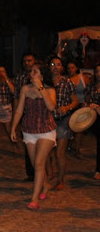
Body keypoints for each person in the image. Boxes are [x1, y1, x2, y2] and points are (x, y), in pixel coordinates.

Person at [10, 62, 57, 209]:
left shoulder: (50, 90)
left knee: (38, 163)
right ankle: (45, 184)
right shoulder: (25, 89)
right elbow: (19, 110)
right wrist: (13, 128)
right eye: (31, 71)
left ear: (42, 75)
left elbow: (51, 107)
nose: (31, 74)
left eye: (35, 72)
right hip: (29, 130)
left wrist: (41, 87)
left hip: (46, 129)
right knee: (35, 164)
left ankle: (34, 199)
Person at [48, 56, 78, 190]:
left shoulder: (67, 82)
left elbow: (75, 100)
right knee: (47, 151)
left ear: (62, 67)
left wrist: (67, 107)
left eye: (58, 64)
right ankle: (50, 173)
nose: (55, 67)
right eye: (52, 64)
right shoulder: (45, 82)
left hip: (62, 120)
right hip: (47, 120)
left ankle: (60, 179)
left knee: (60, 152)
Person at [14, 52, 37, 181]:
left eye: (29, 60)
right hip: (25, 114)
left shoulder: (41, 75)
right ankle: (31, 173)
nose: (27, 63)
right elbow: (16, 97)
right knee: (28, 144)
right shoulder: (20, 77)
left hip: (40, 115)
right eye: (25, 61)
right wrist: (15, 118)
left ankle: (44, 172)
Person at [67, 61, 89, 158]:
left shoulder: (83, 78)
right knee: (70, 128)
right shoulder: (65, 79)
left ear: (76, 68)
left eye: (72, 67)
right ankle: (70, 145)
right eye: (68, 68)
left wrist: (87, 103)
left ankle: (77, 150)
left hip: (80, 105)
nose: (70, 70)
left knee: (79, 129)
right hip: (70, 105)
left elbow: (88, 91)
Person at [84, 64, 100, 179]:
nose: (99, 74)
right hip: (94, 117)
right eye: (97, 71)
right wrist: (87, 105)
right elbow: (86, 100)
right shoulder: (91, 86)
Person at [0, 66, 15, 140]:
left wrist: (7, 81)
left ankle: (13, 140)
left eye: (3, 71)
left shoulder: (10, 82)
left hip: (6, 107)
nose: (1, 73)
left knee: (8, 127)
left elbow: (13, 91)